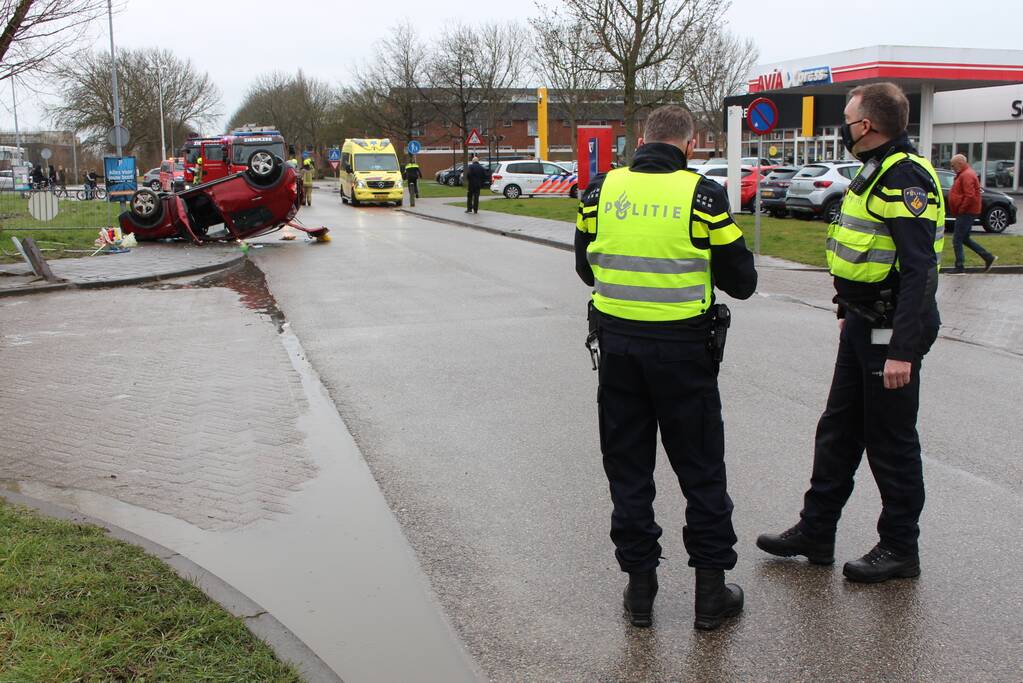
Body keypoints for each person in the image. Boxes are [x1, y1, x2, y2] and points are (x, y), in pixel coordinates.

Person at [575, 104, 757, 630]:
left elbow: (586, 268)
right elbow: (740, 280)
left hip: (618, 352)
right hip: (684, 354)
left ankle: (639, 592)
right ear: (690, 144)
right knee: (701, 471)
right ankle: (709, 596)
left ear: (642, 140)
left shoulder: (600, 191)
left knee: (628, 471)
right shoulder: (702, 194)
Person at [757, 82, 945, 583]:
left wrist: (903, 349)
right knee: (838, 430)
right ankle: (816, 531)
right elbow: (861, 249)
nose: (844, 124)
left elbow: (919, 271)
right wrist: (847, 304)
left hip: (891, 331)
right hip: (863, 322)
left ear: (867, 125)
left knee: (890, 440)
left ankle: (901, 548)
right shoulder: (873, 169)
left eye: (848, 116)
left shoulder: (904, 177)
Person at [947, 154, 996, 274]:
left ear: (960, 163)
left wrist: (961, 210)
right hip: (967, 212)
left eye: (953, 165)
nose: (952, 167)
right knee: (964, 238)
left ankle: (959, 266)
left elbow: (970, 196)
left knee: (957, 239)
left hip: (966, 212)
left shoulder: (966, 175)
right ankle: (988, 257)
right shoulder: (964, 174)